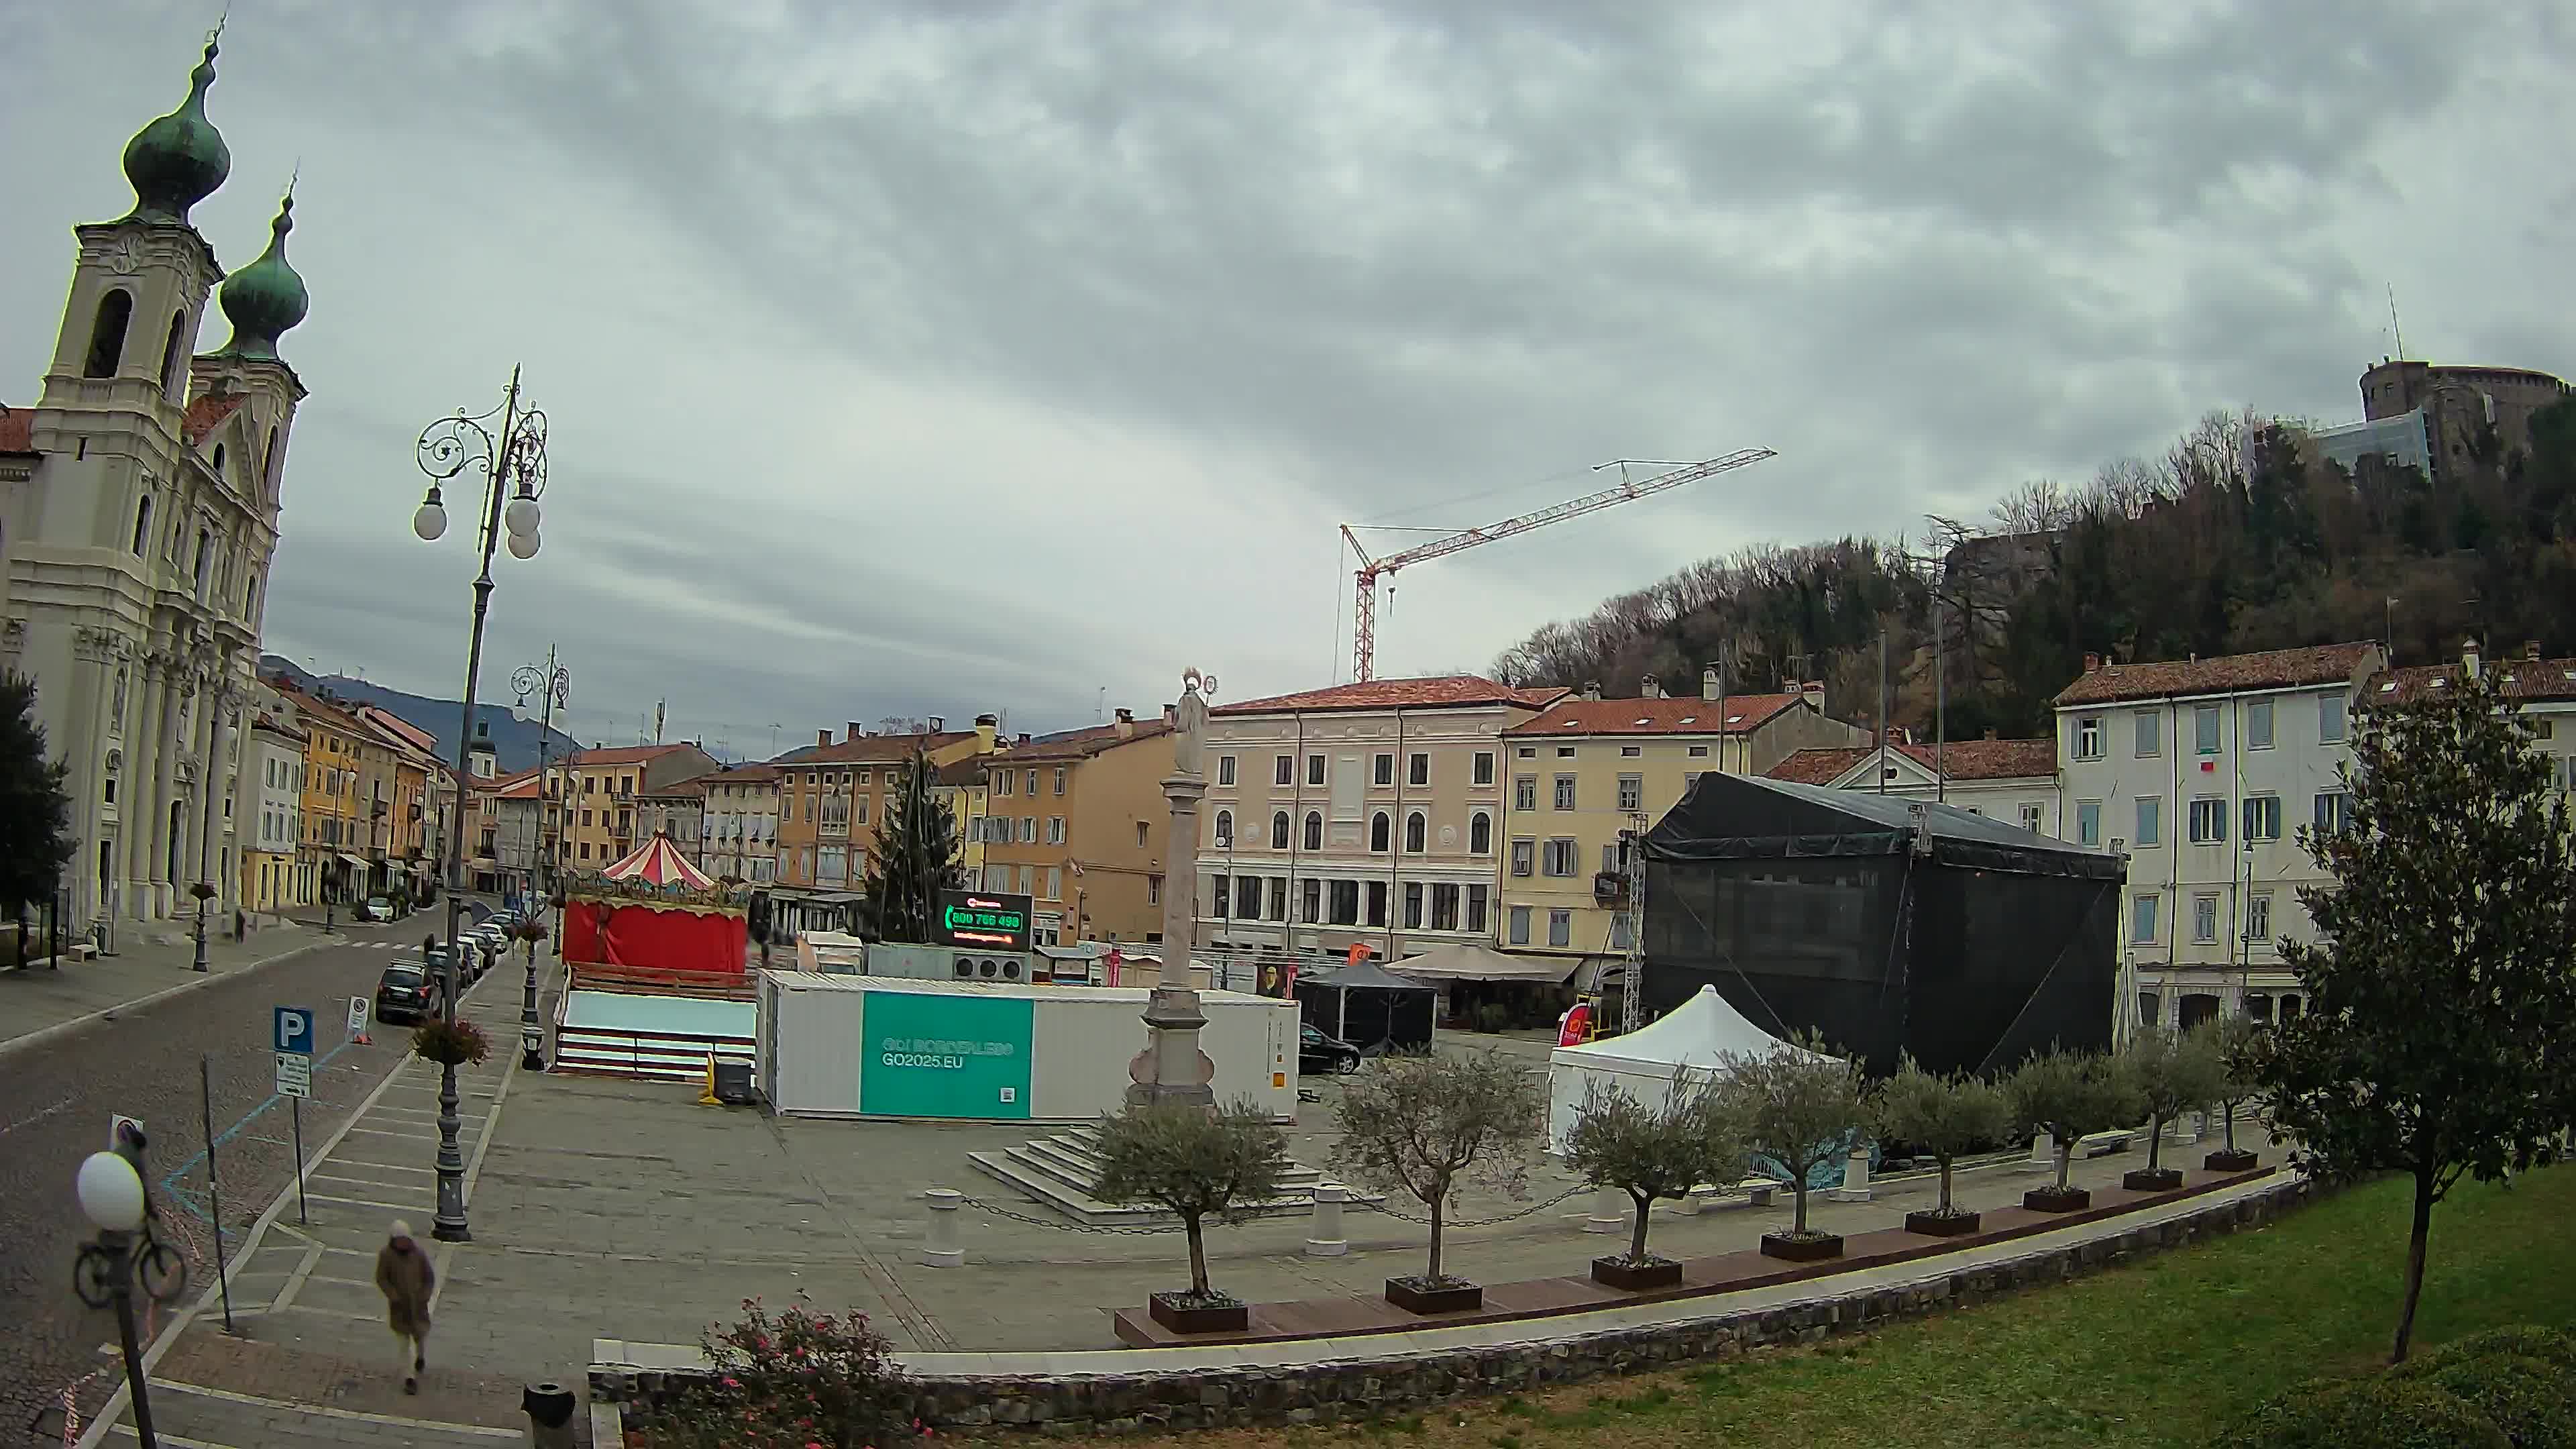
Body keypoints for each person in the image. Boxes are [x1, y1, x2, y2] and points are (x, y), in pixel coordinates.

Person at [374, 1220, 435, 1394]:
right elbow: (381, 1278)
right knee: (403, 1344)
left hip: (418, 1306)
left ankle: (421, 1357)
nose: (403, 1243)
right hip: (400, 1307)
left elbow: (429, 1278)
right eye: (400, 1240)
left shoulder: (419, 1255)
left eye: (405, 1239)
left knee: (420, 1335)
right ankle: (409, 1378)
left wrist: (424, 1295)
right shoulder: (386, 1256)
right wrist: (393, 1295)